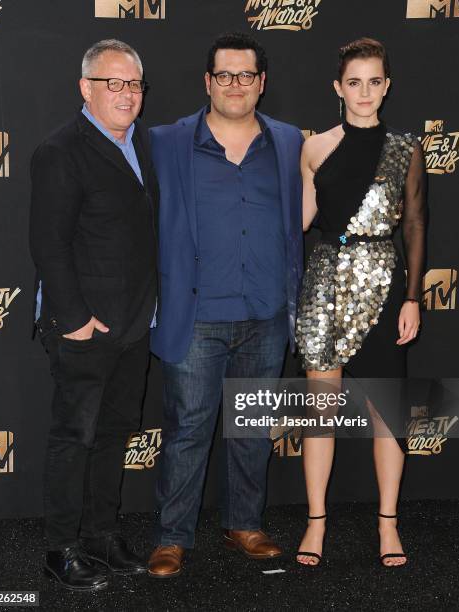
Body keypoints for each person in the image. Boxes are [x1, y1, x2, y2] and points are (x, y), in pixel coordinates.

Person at [147, 32, 304, 578]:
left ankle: (245, 525)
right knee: (188, 429)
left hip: (265, 313)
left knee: (252, 426)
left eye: (246, 75)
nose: (235, 85)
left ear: (261, 82)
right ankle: (172, 537)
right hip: (196, 315)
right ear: (208, 82)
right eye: (224, 75)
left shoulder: (288, 142)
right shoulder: (166, 142)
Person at [29, 39, 159, 590]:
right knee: (73, 438)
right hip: (84, 328)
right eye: (114, 83)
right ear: (86, 88)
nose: (126, 94)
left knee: (113, 436)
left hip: (134, 325)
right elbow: (48, 245)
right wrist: (74, 319)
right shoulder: (61, 150)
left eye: (134, 84)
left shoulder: (143, 147)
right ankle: (61, 547)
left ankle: (103, 535)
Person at [296, 38, 427, 567]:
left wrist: (414, 296)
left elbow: (415, 224)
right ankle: (315, 522)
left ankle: (388, 525)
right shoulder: (313, 148)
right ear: (338, 87)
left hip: (384, 282)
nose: (365, 92)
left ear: (387, 86)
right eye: (354, 82)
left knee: (385, 416)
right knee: (320, 412)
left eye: (375, 81)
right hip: (323, 284)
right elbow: (299, 222)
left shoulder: (406, 148)